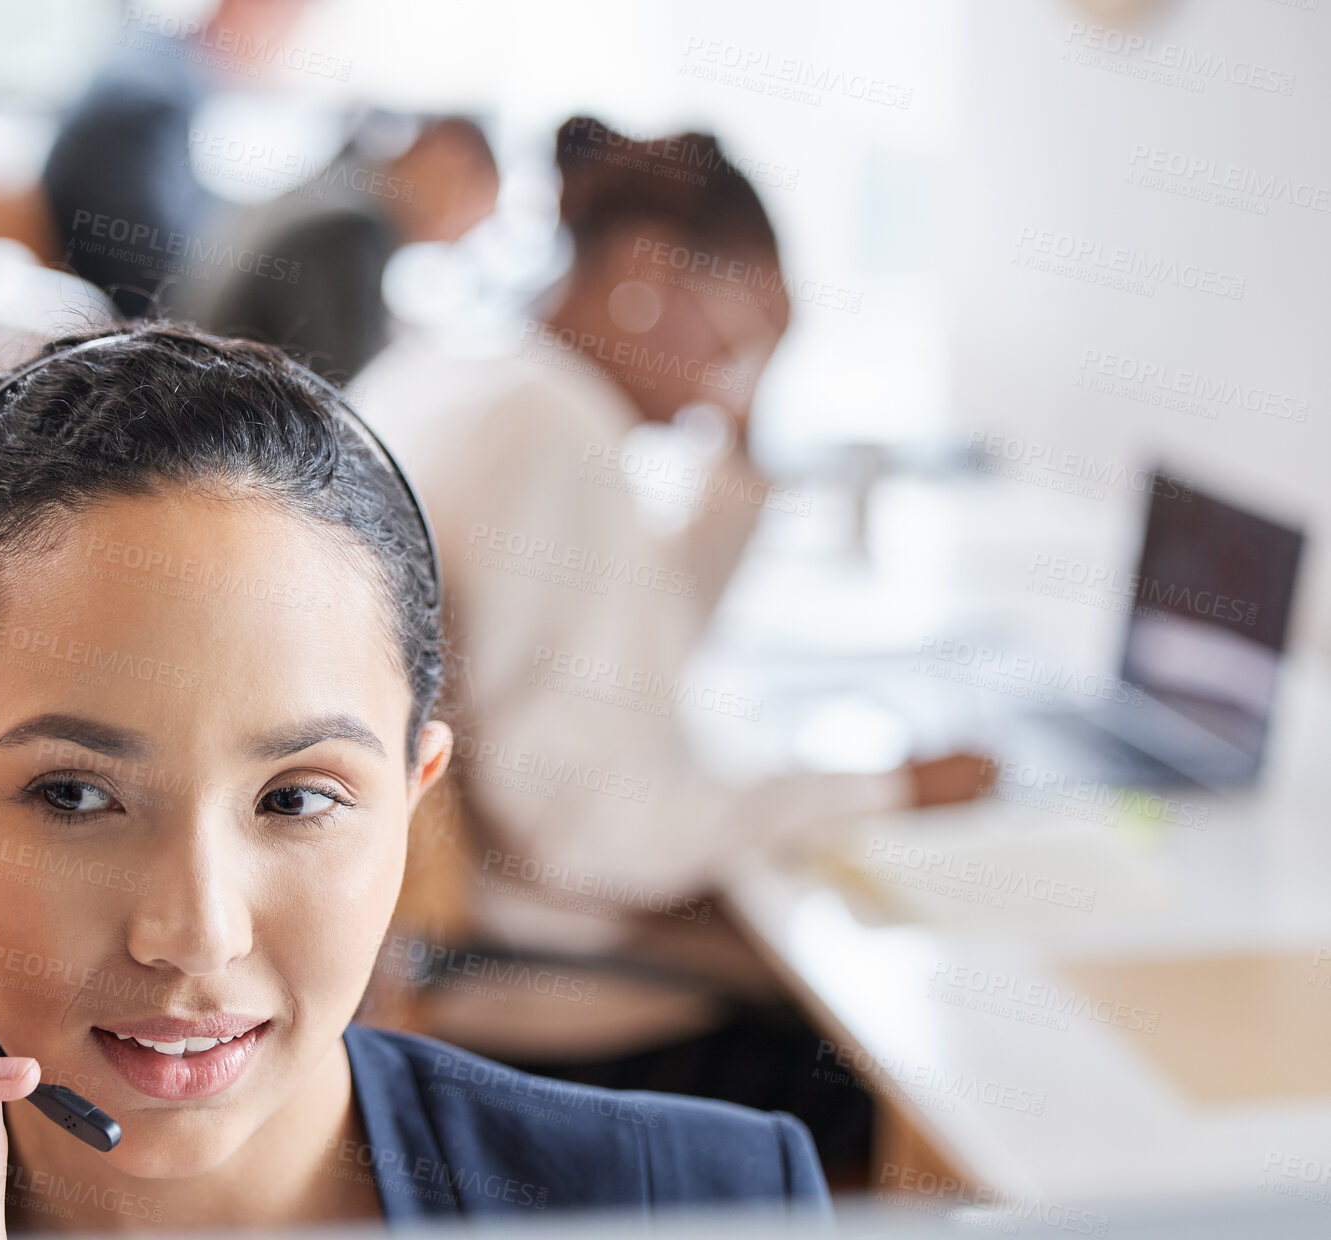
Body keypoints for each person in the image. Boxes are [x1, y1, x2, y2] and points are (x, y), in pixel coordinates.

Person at [0, 325, 830, 1233]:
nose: (196, 934)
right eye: (74, 794)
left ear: (414, 798)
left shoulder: (704, 1204)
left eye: (297, 797)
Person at [351, 116, 990, 1184]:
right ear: (646, 270)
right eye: (734, 348)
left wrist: (743, 444)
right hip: (530, 988)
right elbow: (593, 827)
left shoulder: (484, 372)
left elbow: (628, 647)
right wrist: (886, 790)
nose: (721, 391)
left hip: (448, 946)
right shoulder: (555, 440)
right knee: (902, 1070)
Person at [183, 111, 500, 384]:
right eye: (471, 212)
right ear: (448, 157)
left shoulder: (337, 189)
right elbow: (343, 380)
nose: (456, 237)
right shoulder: (352, 233)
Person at [41, 0, 313, 318]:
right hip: (120, 325)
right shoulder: (151, 98)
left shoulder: (160, 65)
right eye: (294, 23)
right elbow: (147, 281)